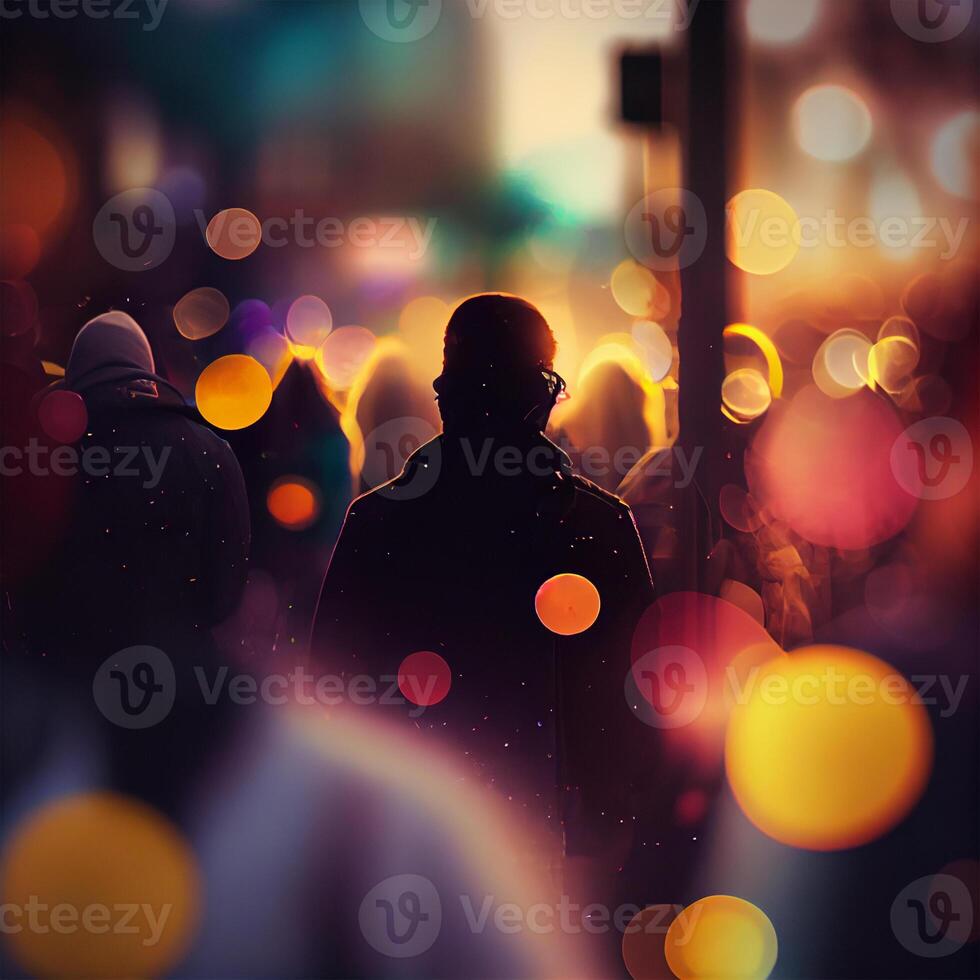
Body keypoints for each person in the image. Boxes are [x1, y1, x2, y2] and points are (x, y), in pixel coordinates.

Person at [312, 294, 654, 862]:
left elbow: (331, 688)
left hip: (404, 838)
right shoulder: (596, 524)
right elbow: (636, 705)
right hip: (561, 843)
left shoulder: (380, 521)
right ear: (540, 393)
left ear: (446, 390)